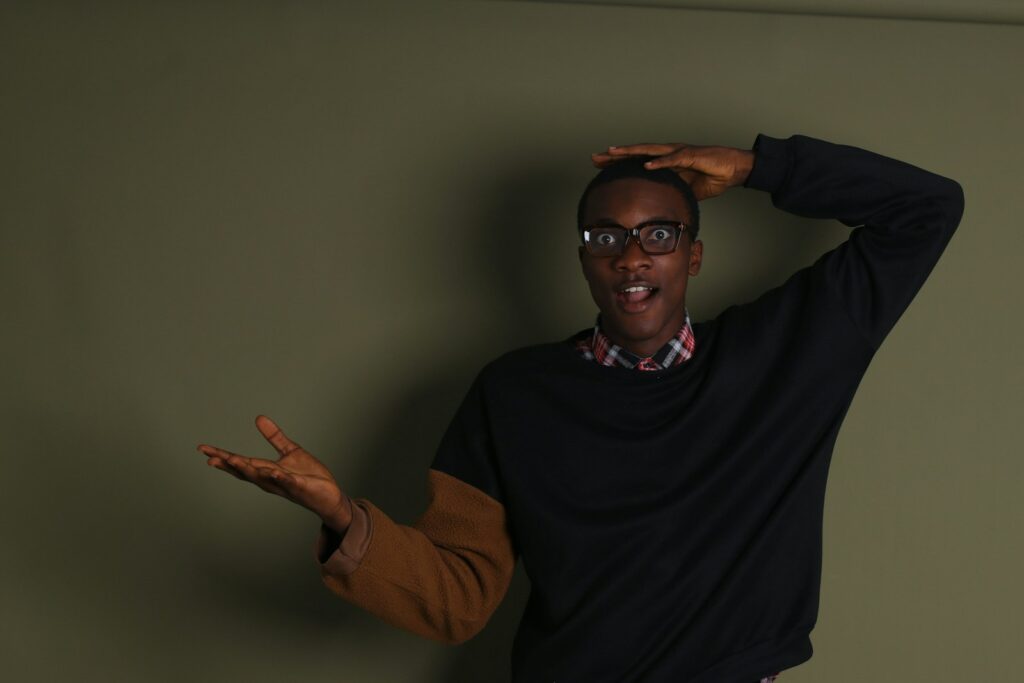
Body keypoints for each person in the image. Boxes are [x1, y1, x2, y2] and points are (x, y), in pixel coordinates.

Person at [198, 133, 964, 682]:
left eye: (658, 235)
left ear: (693, 255)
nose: (632, 256)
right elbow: (459, 597)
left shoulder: (788, 353)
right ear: (584, 260)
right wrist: (343, 519)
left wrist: (762, 166)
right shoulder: (514, 394)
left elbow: (928, 209)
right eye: (607, 237)